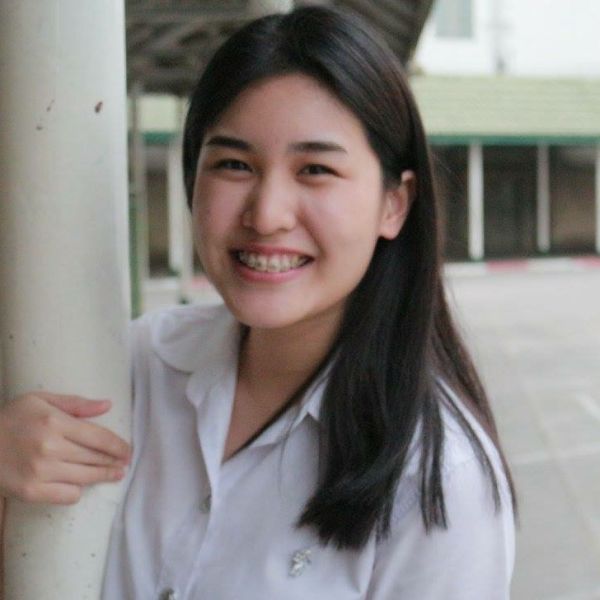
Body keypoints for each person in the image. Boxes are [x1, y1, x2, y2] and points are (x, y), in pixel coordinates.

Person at [0, 6, 516, 598]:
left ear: (394, 204)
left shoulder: (441, 483)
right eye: (234, 164)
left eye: (315, 169)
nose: (267, 215)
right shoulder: (135, 369)